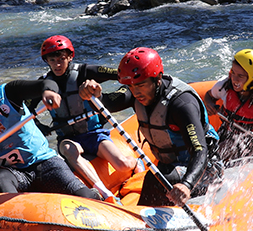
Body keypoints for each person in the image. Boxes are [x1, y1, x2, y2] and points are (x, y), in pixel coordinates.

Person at [81, 47, 221, 207]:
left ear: (158, 78)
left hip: (203, 170)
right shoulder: (136, 91)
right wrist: (94, 94)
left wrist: (187, 184)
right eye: (131, 86)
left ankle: (141, 221)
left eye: (140, 85)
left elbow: (199, 150)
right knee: (161, 176)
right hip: (170, 165)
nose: (135, 92)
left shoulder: (182, 104)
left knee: (156, 179)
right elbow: (109, 102)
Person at [0, 67, 102, 200]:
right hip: (11, 173)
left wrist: (48, 92)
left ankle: (96, 199)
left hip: (43, 162)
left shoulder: (10, 93)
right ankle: (16, 220)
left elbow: (46, 83)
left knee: (84, 196)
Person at [36, 35, 136, 200]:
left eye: (61, 58)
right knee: (68, 149)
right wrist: (39, 125)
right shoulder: (45, 84)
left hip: (94, 134)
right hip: (68, 138)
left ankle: (135, 164)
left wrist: (122, 87)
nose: (57, 64)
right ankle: (103, 192)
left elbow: (119, 75)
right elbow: (24, 109)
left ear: (70, 56)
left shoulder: (84, 72)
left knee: (122, 165)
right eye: (52, 60)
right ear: (47, 61)